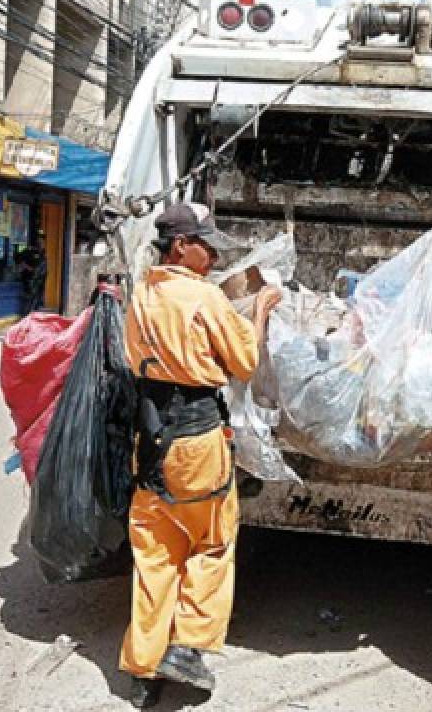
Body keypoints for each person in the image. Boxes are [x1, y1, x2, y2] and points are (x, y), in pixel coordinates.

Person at [120, 202, 282, 708]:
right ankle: (188, 647)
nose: (212, 253)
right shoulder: (203, 297)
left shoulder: (141, 293)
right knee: (211, 543)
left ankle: (144, 662)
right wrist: (257, 312)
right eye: (204, 244)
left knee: (155, 550)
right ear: (179, 246)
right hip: (197, 443)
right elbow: (245, 362)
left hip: (148, 441)